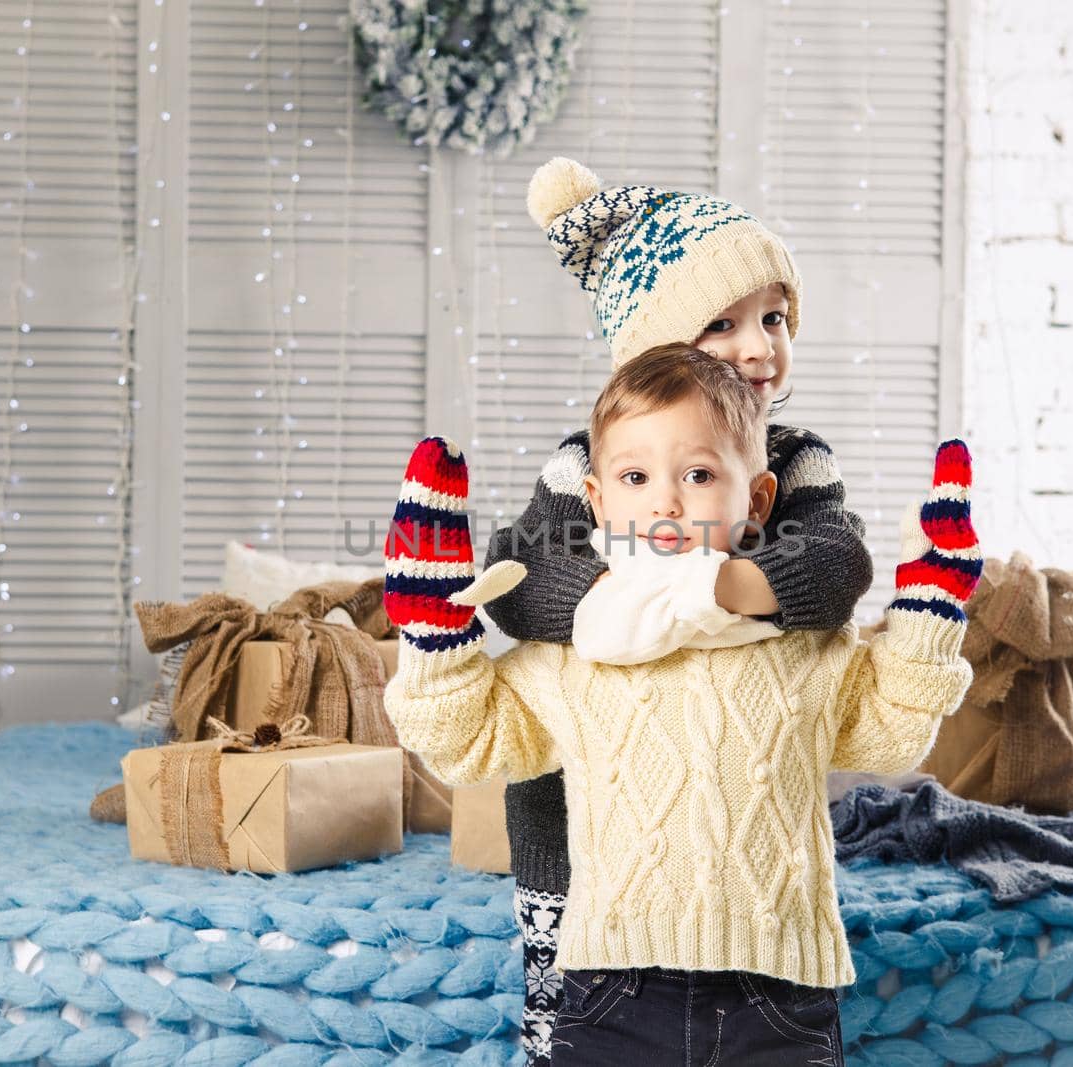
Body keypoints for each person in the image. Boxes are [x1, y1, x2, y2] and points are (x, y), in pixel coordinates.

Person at [382, 344, 982, 1065]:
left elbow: (892, 733)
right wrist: (433, 632)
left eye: (698, 474)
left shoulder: (806, 647)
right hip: (613, 991)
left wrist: (930, 611)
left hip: (781, 995)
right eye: (635, 476)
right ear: (598, 500)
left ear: (756, 500)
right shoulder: (574, 655)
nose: (665, 500)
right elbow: (464, 740)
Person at [488, 158, 877, 1062]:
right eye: (723, 323)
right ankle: (563, 1001)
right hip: (592, 777)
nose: (759, 346)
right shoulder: (593, 457)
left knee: (734, 850)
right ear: (651, 346)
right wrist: (614, 604)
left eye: (774, 318)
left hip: (735, 749)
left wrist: (721, 588)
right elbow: (515, 567)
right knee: (572, 937)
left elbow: (837, 560)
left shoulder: (794, 456)